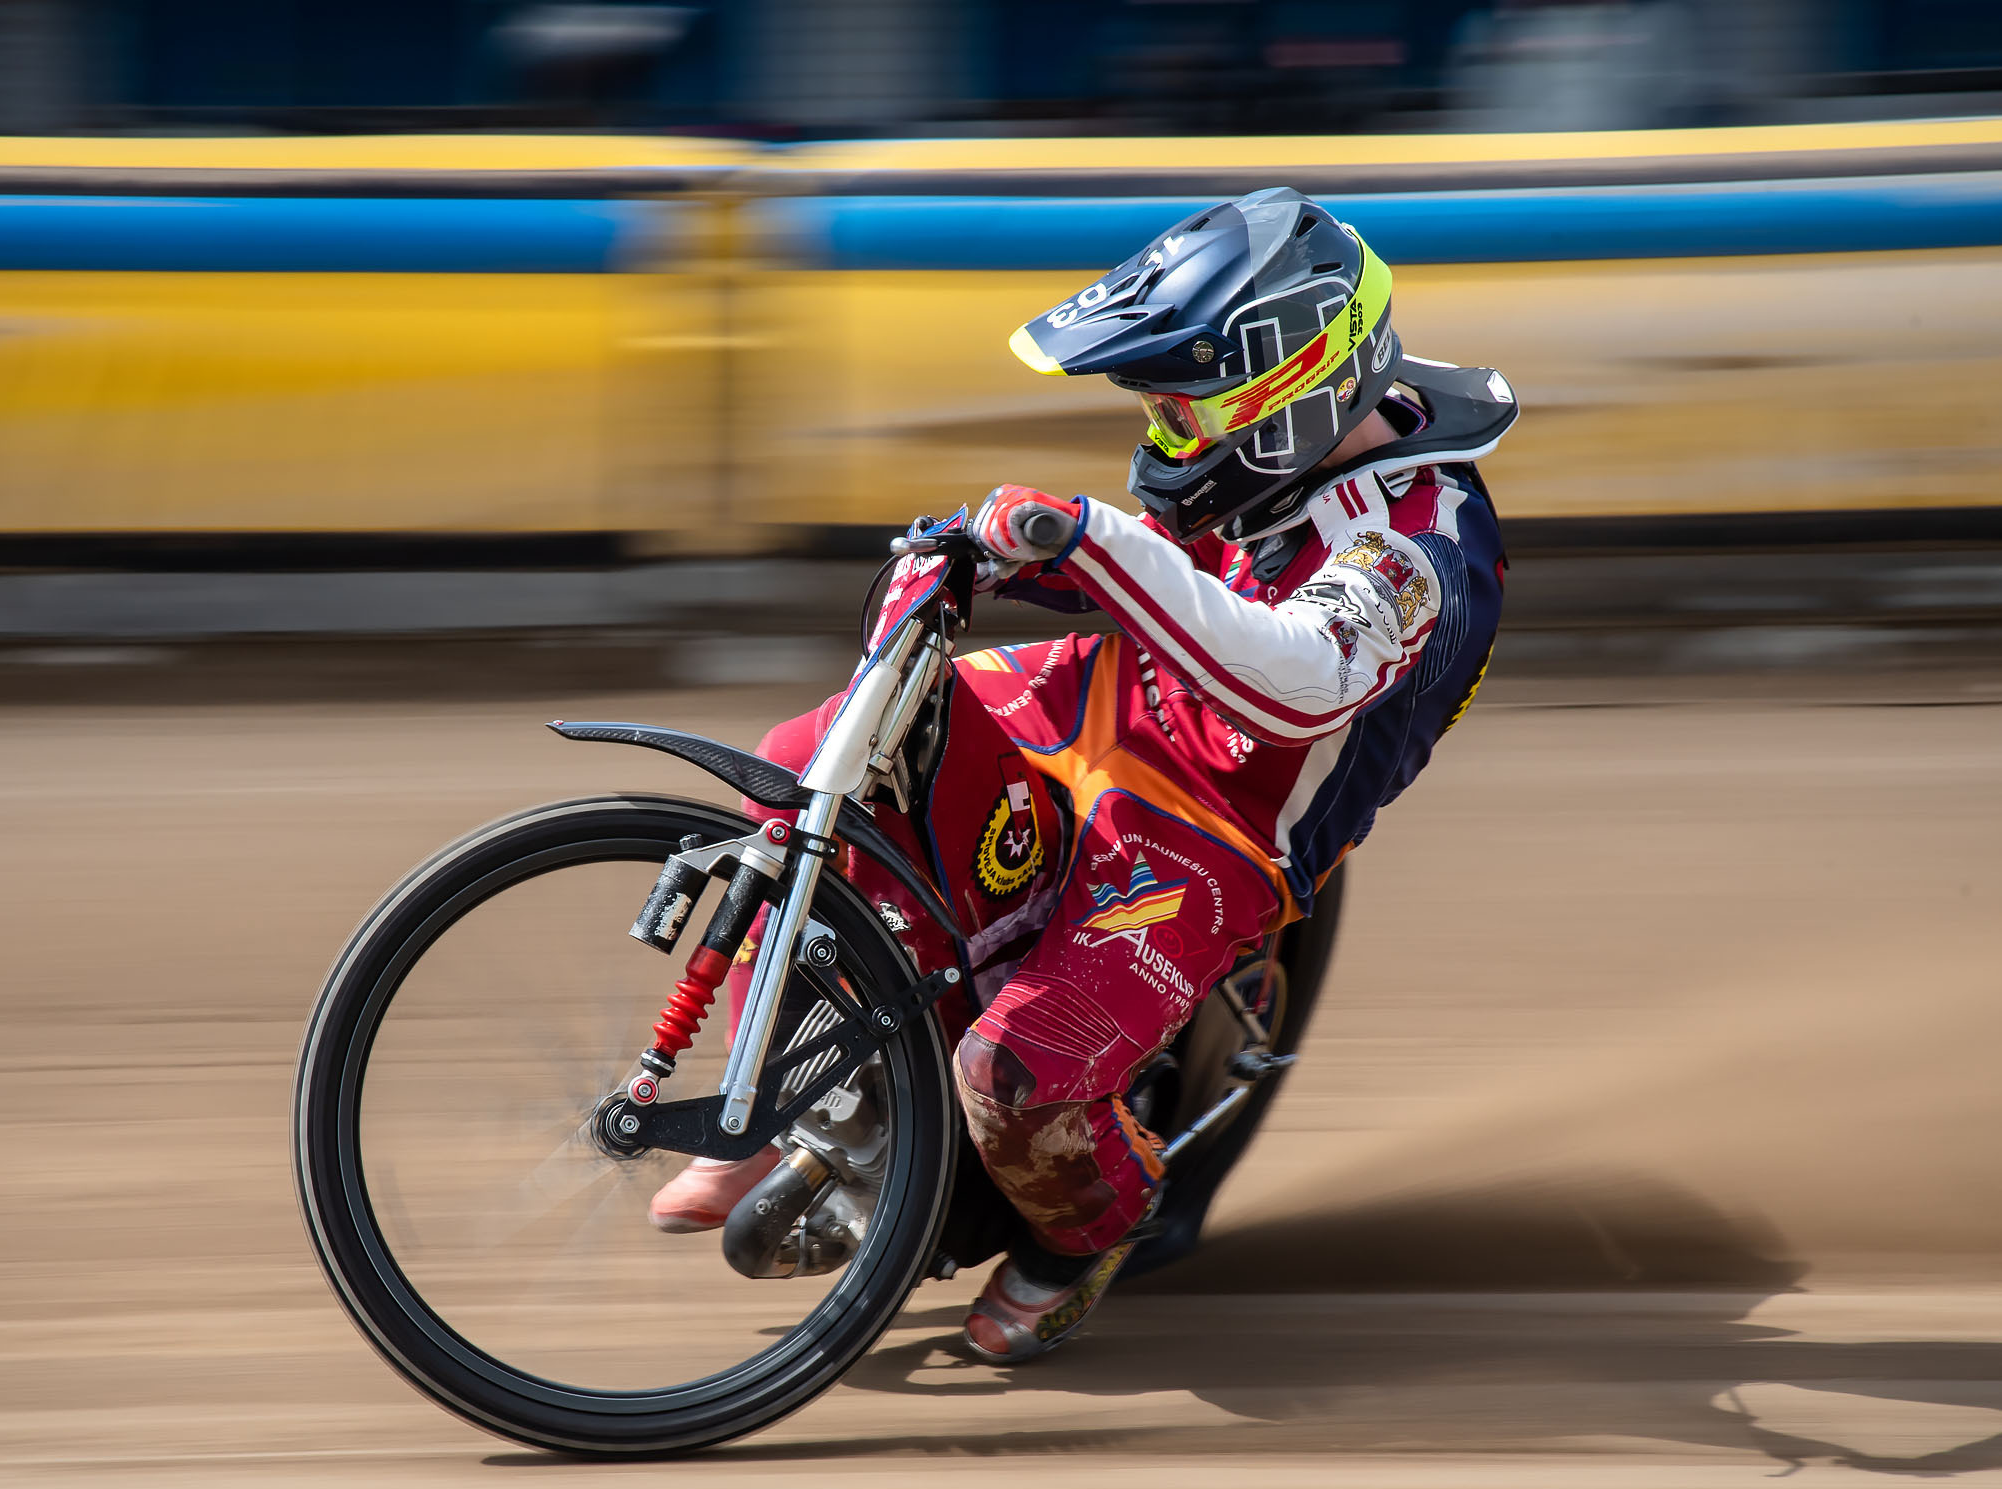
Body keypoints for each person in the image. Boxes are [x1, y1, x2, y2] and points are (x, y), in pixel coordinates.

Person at [649, 187, 1518, 1364]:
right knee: (805, 766)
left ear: (1285, 389)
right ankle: (793, 1060)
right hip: (1101, 696)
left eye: (1180, 403)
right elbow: (1168, 561)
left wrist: (1091, 538)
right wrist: (975, 548)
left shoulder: (1421, 547)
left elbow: (1296, 682)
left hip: (1220, 822)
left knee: (1011, 1072)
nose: (1162, 431)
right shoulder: (1277, 454)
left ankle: (1085, 1234)